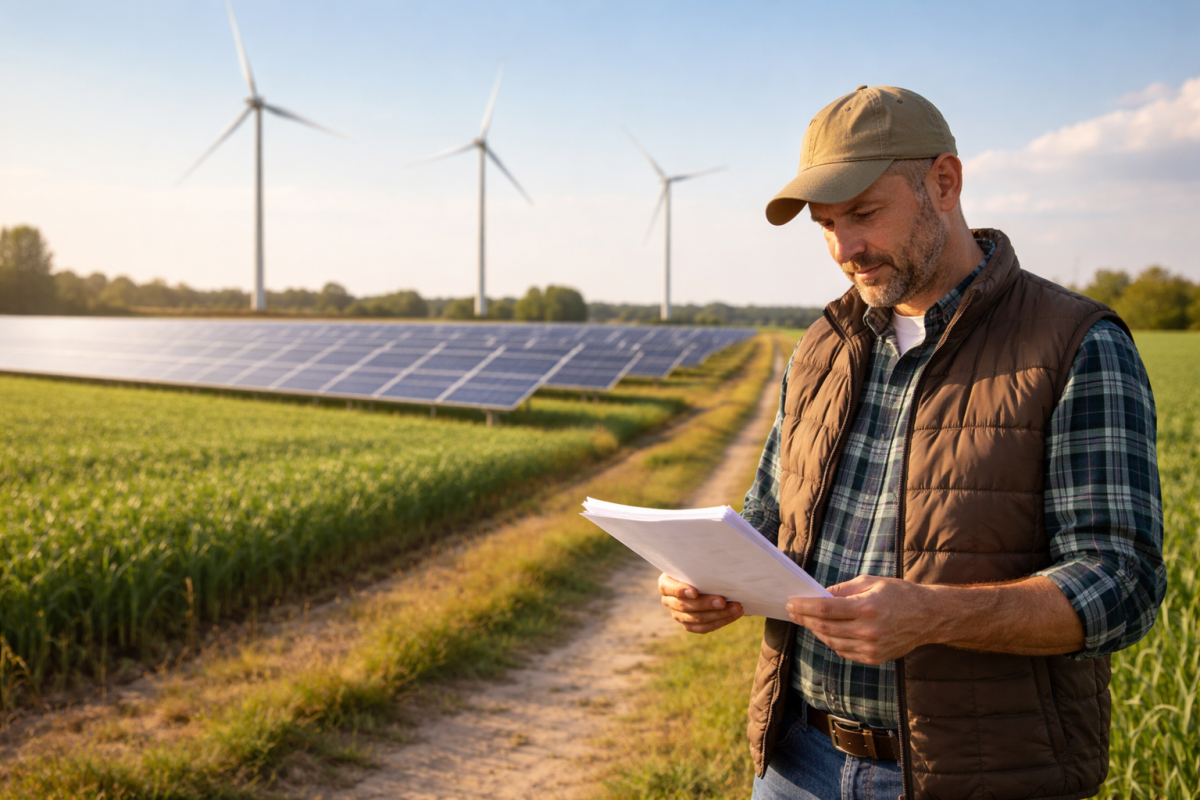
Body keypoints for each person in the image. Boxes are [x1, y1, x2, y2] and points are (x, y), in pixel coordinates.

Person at [658, 86, 1166, 800]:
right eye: (826, 224)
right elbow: (771, 516)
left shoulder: (1075, 344)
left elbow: (1124, 583)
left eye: (865, 213)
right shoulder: (823, 346)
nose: (845, 249)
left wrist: (933, 614)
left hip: (976, 776)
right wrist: (711, 578)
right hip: (797, 761)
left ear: (945, 182)